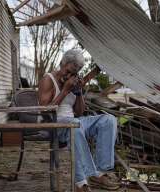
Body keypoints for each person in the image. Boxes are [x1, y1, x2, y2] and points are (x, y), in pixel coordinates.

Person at [38, 49, 119, 191]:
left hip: (74, 122)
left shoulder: (72, 82)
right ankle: (82, 182)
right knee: (75, 126)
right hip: (55, 124)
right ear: (62, 63)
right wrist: (64, 91)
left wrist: (79, 92)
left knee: (109, 120)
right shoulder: (48, 79)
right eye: (68, 71)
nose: (69, 75)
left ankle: (100, 172)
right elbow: (45, 111)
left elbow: (79, 112)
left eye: (74, 73)